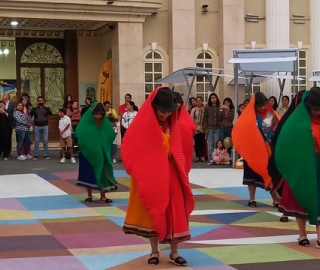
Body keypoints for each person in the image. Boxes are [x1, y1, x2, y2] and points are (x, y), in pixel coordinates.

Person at [122, 87, 195, 266]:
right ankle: (154, 251)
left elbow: (183, 149)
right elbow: (130, 149)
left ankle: (174, 251)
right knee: (153, 212)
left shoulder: (175, 124)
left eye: (169, 111)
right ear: (153, 107)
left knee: (175, 211)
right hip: (150, 175)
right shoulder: (141, 124)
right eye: (162, 111)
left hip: (172, 175)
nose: (165, 115)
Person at [275, 87, 320, 248]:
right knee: (300, 198)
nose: (318, 112)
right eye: (315, 108)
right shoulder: (297, 120)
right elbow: (285, 142)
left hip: (318, 164)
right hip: (302, 164)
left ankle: (319, 235)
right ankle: (302, 234)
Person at [232, 92, 280, 207]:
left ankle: (275, 199)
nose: (262, 108)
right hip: (252, 151)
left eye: (264, 105)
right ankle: (252, 199)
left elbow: (278, 130)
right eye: (259, 106)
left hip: (268, 151)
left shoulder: (270, 115)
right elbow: (240, 130)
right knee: (251, 176)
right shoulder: (248, 117)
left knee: (271, 175)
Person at [76, 102, 117, 203]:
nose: (98, 116)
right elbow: (80, 133)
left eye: (100, 114)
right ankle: (89, 195)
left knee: (102, 173)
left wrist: (102, 143)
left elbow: (110, 133)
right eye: (96, 114)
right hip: (87, 153)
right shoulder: (86, 121)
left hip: (101, 153)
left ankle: (103, 195)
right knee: (88, 174)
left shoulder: (104, 122)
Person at [30, 96, 53, 160]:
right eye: (39, 101)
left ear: (44, 101)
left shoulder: (46, 108)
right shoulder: (35, 108)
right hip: (37, 126)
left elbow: (51, 114)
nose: (40, 102)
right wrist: (34, 107)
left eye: (41, 100)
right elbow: (30, 114)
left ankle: (46, 154)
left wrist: (47, 107)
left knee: (45, 140)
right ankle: (36, 155)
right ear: (37, 101)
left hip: (45, 125)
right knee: (37, 141)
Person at [203, 92, 221, 159]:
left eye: (214, 97)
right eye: (212, 98)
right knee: (210, 144)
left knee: (216, 144)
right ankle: (211, 158)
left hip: (218, 128)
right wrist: (205, 128)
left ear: (217, 98)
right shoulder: (207, 107)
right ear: (210, 99)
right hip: (210, 128)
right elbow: (205, 118)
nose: (213, 99)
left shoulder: (219, 107)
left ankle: (216, 158)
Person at [190, 96, 205, 162]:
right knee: (196, 143)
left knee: (202, 142)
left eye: (200, 100)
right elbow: (191, 119)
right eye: (197, 101)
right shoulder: (193, 109)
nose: (198, 102)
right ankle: (197, 156)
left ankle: (202, 156)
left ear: (202, 101)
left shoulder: (204, 109)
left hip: (202, 128)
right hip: (195, 128)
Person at [2, 92, 15, 156]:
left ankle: (8, 152)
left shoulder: (12, 105)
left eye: (4, 95)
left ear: (8, 96)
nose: (3, 96)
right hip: (1, 123)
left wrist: (13, 124)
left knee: (8, 138)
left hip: (8, 124)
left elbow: (13, 115)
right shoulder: (1, 103)